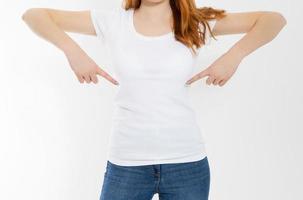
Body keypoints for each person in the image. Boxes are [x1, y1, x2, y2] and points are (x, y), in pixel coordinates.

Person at [22, 0, 287, 199]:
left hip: (187, 164)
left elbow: (273, 19)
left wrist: (234, 56)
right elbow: (34, 15)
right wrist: (73, 52)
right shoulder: (112, 20)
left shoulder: (196, 21)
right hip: (127, 163)